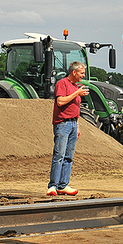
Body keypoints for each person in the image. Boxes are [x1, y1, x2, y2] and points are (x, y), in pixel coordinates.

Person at [47, 61, 89, 196]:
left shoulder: (76, 86)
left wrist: (77, 126)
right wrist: (76, 93)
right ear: (74, 72)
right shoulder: (62, 84)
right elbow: (60, 101)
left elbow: (76, 109)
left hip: (72, 124)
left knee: (68, 157)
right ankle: (53, 186)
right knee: (59, 155)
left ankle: (63, 185)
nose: (83, 75)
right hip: (62, 124)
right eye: (82, 73)